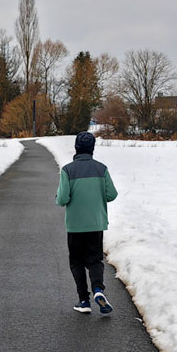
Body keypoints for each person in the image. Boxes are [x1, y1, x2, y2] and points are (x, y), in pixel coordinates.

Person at [55, 131, 118, 314]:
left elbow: (62, 199)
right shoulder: (102, 169)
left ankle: (84, 300)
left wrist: (58, 197)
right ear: (92, 149)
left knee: (76, 261)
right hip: (96, 223)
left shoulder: (68, 170)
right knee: (95, 259)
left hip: (75, 225)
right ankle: (99, 289)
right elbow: (111, 195)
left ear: (76, 148)